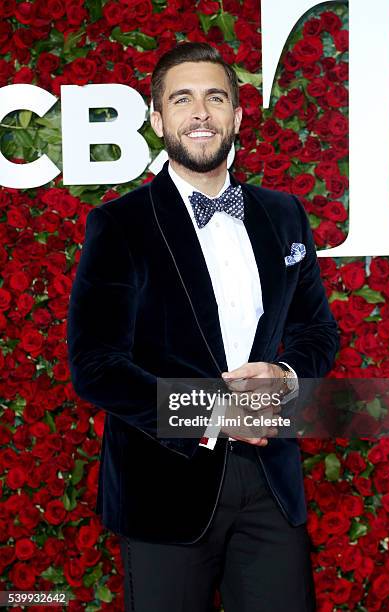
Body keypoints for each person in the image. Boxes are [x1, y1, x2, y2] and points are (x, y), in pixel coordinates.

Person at [67, 42, 339, 612]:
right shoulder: (120, 225)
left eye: (215, 97)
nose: (200, 113)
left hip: (271, 484)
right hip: (164, 487)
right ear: (158, 118)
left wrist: (286, 375)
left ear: (237, 117)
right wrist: (215, 411)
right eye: (182, 98)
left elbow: (317, 329)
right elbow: (96, 367)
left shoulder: (282, 212)